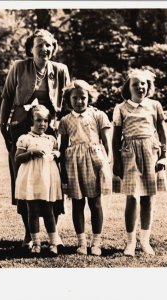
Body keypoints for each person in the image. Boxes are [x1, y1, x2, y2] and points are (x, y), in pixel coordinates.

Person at [0, 29, 70, 248]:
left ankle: (52, 233)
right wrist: (3, 124)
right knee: (23, 177)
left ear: (53, 47)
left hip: (51, 129)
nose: (44, 49)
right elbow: (8, 97)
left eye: (49, 45)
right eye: (40, 45)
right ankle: (30, 234)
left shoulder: (60, 70)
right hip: (21, 128)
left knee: (52, 179)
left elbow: (66, 102)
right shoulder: (19, 67)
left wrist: (65, 130)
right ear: (31, 48)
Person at [112, 69, 167, 256]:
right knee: (132, 197)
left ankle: (144, 241)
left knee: (148, 198)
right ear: (128, 87)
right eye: (135, 84)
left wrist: (163, 156)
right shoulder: (121, 108)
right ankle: (130, 242)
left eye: (143, 83)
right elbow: (115, 137)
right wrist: (117, 161)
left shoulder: (155, 105)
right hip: (129, 153)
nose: (140, 87)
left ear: (148, 86)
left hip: (151, 152)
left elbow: (161, 131)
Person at [58, 80, 112, 256]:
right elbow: (63, 147)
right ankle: (81, 242)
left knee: (95, 203)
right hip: (73, 162)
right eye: (75, 98)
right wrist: (63, 171)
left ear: (89, 97)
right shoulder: (65, 121)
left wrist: (107, 161)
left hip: (94, 160)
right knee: (77, 203)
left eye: (83, 97)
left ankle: (96, 242)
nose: (79, 101)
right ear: (68, 99)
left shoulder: (98, 115)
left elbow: (106, 141)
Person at [15, 104, 62, 255]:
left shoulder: (51, 139)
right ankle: (36, 243)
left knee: (49, 211)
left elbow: (57, 153)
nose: (42, 124)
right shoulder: (25, 139)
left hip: (47, 180)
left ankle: (53, 242)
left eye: (45, 121)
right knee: (32, 211)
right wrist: (31, 153)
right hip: (31, 180)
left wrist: (57, 154)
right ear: (31, 121)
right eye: (38, 120)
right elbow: (17, 158)